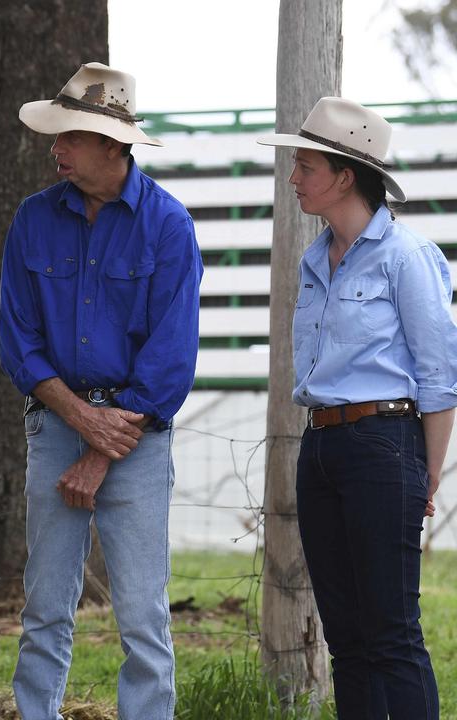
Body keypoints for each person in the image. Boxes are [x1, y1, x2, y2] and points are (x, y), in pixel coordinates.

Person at [0, 62, 202, 720]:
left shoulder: (169, 226)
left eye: (71, 138)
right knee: (44, 608)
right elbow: (17, 340)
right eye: (57, 136)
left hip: (134, 438)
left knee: (143, 614)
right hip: (59, 424)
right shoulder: (32, 220)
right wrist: (83, 422)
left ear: (114, 147)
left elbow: (171, 356)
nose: (55, 148)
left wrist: (101, 444)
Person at [258, 97, 456, 720]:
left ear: (345, 176)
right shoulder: (314, 260)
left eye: (305, 166)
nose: (293, 178)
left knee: (392, 634)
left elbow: (439, 376)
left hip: (384, 443)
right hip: (320, 447)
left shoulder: (407, 256)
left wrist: (427, 475)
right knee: (347, 641)